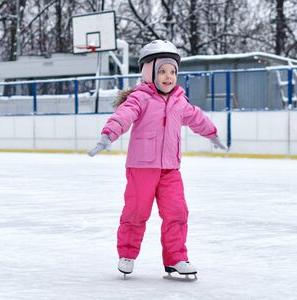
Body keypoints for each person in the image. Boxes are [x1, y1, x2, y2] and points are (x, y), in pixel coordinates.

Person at [88, 40, 227, 277]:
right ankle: (127, 254)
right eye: (162, 71)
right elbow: (123, 115)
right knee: (136, 212)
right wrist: (108, 135)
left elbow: (197, 118)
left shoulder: (179, 101)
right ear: (149, 72)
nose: (168, 76)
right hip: (141, 168)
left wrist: (212, 133)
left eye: (172, 71)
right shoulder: (140, 98)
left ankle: (176, 258)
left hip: (170, 169)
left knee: (177, 213)